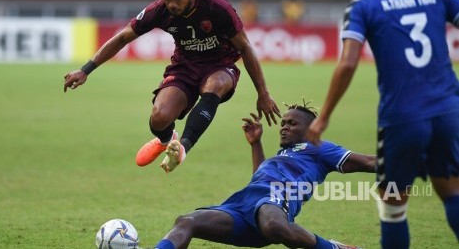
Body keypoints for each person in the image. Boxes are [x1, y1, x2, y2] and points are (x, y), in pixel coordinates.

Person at [63, 0, 280, 173]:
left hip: (220, 65)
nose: (172, 4)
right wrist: (85, 70)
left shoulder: (217, 7)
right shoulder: (160, 10)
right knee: (159, 118)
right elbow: (123, 37)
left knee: (215, 84)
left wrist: (263, 93)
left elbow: (245, 47)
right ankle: (168, 140)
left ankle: (182, 148)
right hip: (185, 66)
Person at [306, 0, 459, 248]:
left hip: (402, 116)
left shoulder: (364, 4)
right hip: (449, 110)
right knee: (451, 191)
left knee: (392, 204)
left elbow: (348, 63)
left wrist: (324, 116)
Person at [152, 103, 376, 249]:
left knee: (274, 225)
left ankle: (332, 247)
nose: (284, 127)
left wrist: (405, 163)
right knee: (186, 221)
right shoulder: (282, 155)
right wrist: (256, 143)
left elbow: (367, 162)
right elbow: (259, 180)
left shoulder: (319, 148)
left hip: (274, 202)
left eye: (292, 123)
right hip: (244, 205)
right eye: (283, 123)